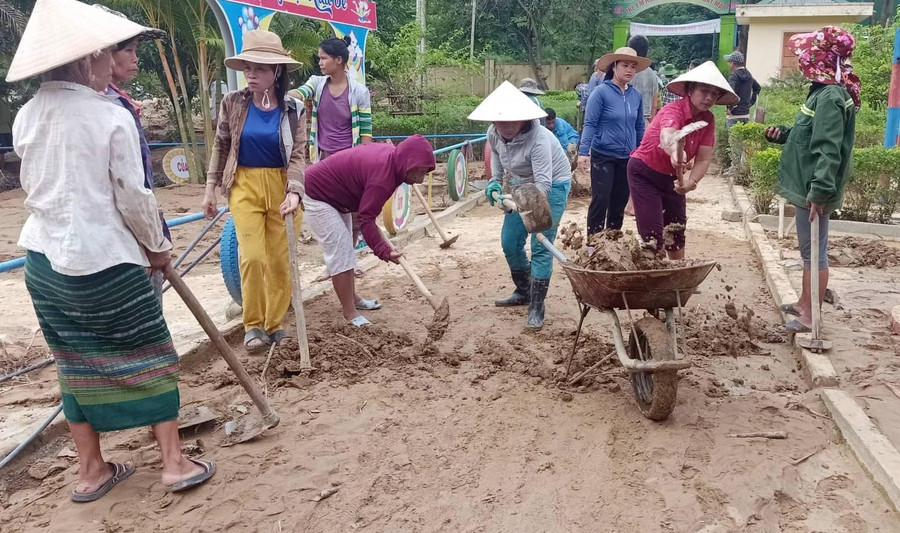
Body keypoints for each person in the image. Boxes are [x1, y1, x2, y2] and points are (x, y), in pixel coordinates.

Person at [7, 0, 215, 502]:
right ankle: (172, 462)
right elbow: (134, 197)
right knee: (151, 354)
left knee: (73, 363)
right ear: (91, 57)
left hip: (43, 263)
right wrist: (159, 248)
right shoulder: (109, 118)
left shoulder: (28, 115)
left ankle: (92, 471)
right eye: (110, 55)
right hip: (105, 262)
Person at [202, 30, 307, 352]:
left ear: (277, 71)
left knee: (279, 261)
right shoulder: (233, 102)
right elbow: (220, 145)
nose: (251, 74)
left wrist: (295, 192)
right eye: (247, 67)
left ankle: (275, 325)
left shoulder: (295, 108)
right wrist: (209, 189)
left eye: (259, 68)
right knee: (253, 258)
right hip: (243, 184)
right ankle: (253, 326)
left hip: (282, 186)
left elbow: (300, 153)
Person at [764, 27, 859, 333]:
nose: (801, 59)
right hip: (809, 184)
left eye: (806, 54)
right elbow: (811, 136)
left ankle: (811, 316)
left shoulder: (831, 96)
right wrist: (785, 135)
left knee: (813, 252)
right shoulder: (822, 91)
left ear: (820, 58)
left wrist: (819, 190)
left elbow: (829, 150)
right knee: (809, 251)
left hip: (814, 188)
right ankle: (805, 303)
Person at [302, 136, 436, 326]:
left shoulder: (393, 161)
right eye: (420, 171)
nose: (421, 179)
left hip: (337, 196)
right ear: (408, 163)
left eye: (425, 171)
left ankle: (353, 298)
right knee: (340, 252)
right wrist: (384, 252)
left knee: (346, 248)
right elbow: (366, 219)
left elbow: (364, 211)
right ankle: (350, 312)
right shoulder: (383, 177)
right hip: (316, 194)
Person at [470, 81, 572, 330]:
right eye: (499, 121)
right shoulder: (494, 132)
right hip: (520, 184)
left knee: (540, 244)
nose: (504, 127)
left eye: (510, 121)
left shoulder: (539, 139)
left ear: (524, 118)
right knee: (510, 241)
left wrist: (529, 209)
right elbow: (495, 154)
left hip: (552, 186)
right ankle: (525, 289)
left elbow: (544, 185)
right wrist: (494, 182)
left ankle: (537, 305)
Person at [627, 62, 738, 259]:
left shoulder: (708, 120)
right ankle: (656, 277)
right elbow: (667, 135)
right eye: (704, 91)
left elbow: (704, 159)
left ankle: (678, 276)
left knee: (676, 229)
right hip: (644, 172)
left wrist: (690, 182)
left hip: (672, 179)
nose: (709, 97)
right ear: (689, 89)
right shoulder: (673, 110)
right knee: (653, 235)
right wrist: (675, 153)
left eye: (715, 94)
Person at [577, 47, 649, 235]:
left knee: (619, 201)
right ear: (614, 67)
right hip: (603, 156)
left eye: (633, 66)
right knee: (601, 200)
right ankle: (593, 245)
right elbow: (590, 123)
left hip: (627, 157)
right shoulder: (600, 93)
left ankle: (613, 244)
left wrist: (642, 153)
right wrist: (583, 152)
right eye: (625, 65)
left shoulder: (636, 96)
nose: (629, 70)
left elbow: (639, 127)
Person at [291, 36, 373, 162]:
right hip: (323, 157)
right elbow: (301, 92)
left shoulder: (359, 92)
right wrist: (278, 94)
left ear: (338, 60)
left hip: (349, 159)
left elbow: (366, 132)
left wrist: (362, 163)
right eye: (320, 58)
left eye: (324, 58)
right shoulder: (316, 83)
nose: (320, 63)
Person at [627, 35, 659, 124]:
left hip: (625, 119)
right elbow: (654, 103)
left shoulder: (626, 71)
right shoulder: (652, 74)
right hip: (645, 120)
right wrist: (651, 123)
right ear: (647, 51)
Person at [724, 51, 761, 127]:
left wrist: (729, 107)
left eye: (729, 62)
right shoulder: (749, 75)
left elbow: (731, 92)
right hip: (745, 114)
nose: (728, 64)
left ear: (733, 63)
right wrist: (751, 102)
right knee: (743, 138)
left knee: (733, 138)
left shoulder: (733, 76)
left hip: (734, 114)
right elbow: (757, 88)